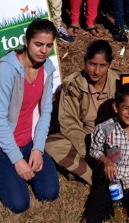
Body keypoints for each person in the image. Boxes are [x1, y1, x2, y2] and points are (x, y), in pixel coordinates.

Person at [0, 18, 60, 213]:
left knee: (49, 193)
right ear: (26, 42)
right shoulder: (6, 70)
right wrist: (17, 160)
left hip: (30, 142)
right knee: (19, 204)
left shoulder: (47, 68)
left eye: (49, 45)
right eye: (38, 44)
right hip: (3, 146)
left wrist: (38, 149)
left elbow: (45, 112)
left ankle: (23, 167)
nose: (43, 50)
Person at [46, 40, 119, 185]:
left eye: (102, 66)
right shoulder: (73, 86)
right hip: (85, 137)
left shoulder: (119, 82)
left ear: (109, 64)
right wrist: (91, 147)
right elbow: (69, 124)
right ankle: (95, 176)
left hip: (114, 137)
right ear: (85, 60)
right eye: (92, 64)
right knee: (51, 144)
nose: (96, 71)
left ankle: (82, 168)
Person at [84, 83, 129, 222]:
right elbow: (94, 150)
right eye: (126, 108)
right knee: (93, 217)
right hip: (110, 180)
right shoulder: (105, 128)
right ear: (115, 107)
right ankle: (118, 201)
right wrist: (106, 161)